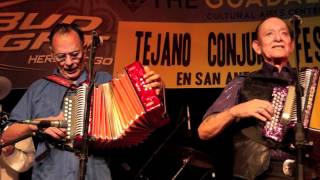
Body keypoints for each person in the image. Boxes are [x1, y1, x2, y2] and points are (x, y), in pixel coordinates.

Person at [1, 23, 164, 180]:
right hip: (50, 175)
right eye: (61, 56)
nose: (69, 62)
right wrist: (36, 124)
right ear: (51, 53)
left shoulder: (106, 82)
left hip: (97, 174)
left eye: (74, 54)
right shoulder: (38, 89)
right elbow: (6, 135)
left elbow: (141, 113)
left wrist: (153, 91)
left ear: (85, 49)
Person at [198, 17, 318, 180]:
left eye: (284, 34)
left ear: (291, 44)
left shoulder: (312, 84)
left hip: (308, 172)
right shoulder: (243, 82)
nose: (278, 38)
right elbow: (204, 131)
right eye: (270, 34)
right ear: (257, 47)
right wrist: (235, 111)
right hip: (258, 174)